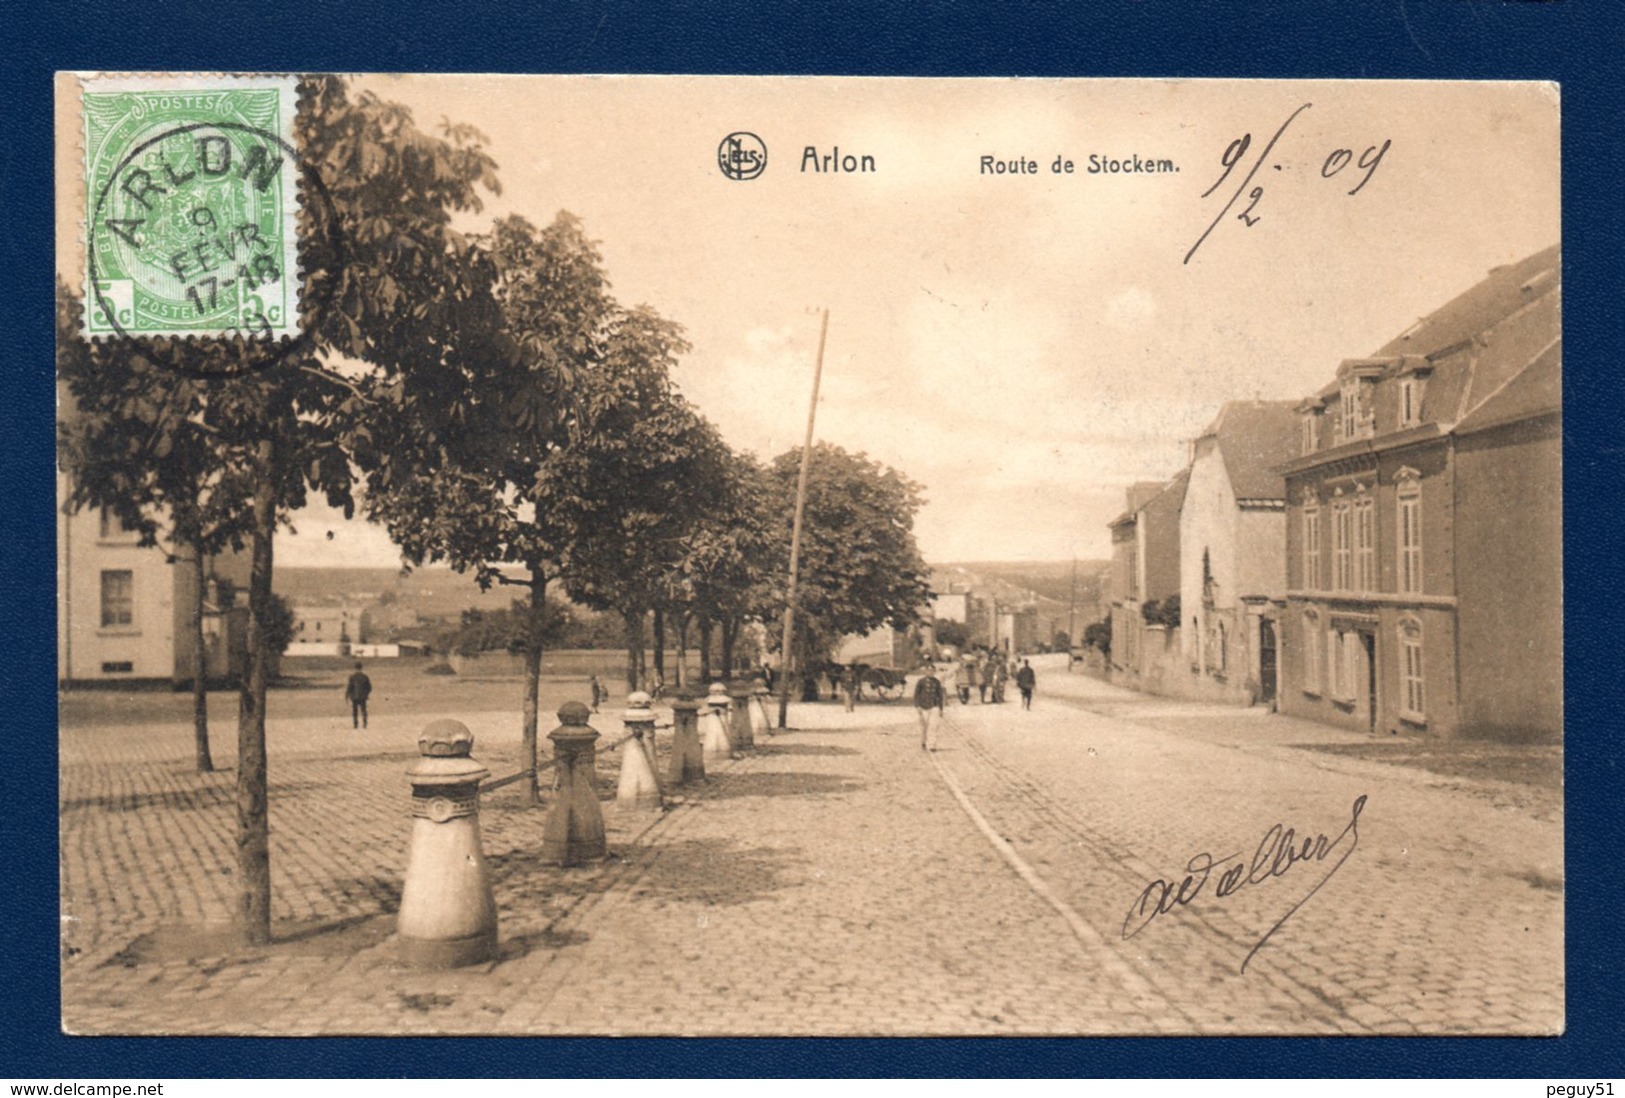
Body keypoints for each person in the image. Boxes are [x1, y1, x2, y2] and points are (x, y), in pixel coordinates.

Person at [913, 664, 945, 750]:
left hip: (934, 706)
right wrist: (917, 706)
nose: (930, 672)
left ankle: (932, 745)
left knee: (933, 726)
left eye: (932, 671)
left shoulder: (937, 682)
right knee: (924, 727)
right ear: (925, 672)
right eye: (929, 670)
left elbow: (940, 696)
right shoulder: (921, 682)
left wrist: (941, 708)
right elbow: (916, 695)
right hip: (923, 707)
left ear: (934, 672)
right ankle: (923, 741)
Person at [344, 662, 372, 729]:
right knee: (364, 710)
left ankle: (355, 724)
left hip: (354, 697)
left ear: (355, 668)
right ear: (361, 668)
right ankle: (365, 723)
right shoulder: (365, 677)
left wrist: (347, 695)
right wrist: (366, 694)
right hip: (363, 696)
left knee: (355, 711)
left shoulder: (352, 677)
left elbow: (349, 687)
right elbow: (369, 687)